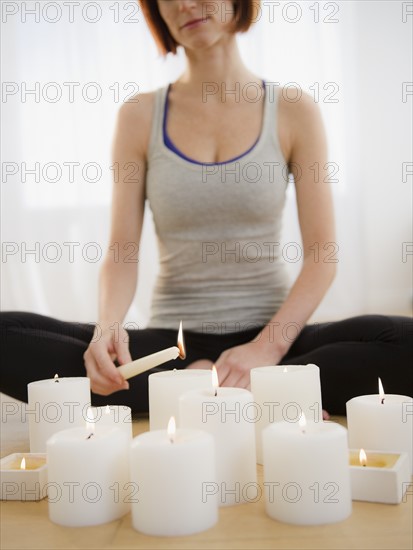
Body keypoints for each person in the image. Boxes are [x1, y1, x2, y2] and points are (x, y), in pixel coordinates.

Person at [1, 0, 412, 416]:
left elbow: (322, 258)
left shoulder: (293, 110)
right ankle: (245, 390)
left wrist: (263, 352)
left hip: (273, 342)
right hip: (173, 347)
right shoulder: (139, 116)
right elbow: (122, 251)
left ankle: (219, 388)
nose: (184, 4)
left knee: (402, 340)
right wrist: (108, 327)